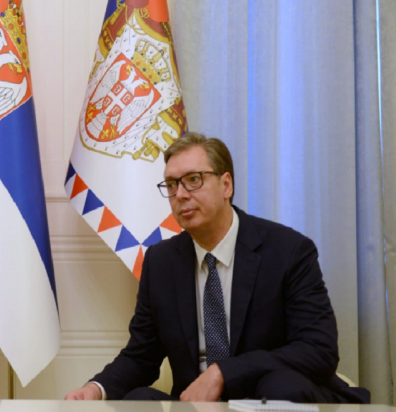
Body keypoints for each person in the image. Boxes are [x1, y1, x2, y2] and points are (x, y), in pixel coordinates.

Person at [64, 133, 369, 403]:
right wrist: (96, 388)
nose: (181, 194)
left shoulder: (288, 251)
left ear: (226, 185)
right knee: (138, 400)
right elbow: (141, 356)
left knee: (282, 387)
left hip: (266, 398)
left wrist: (224, 372)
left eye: (193, 180)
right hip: (197, 404)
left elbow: (318, 349)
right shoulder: (161, 262)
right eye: (172, 184)